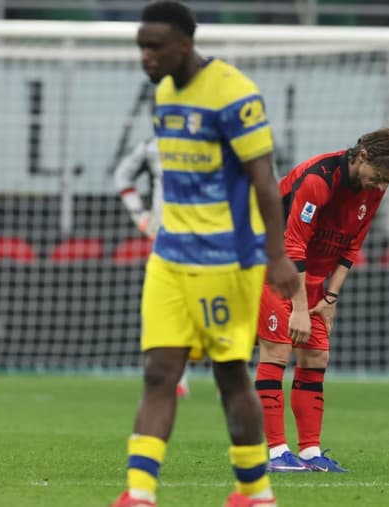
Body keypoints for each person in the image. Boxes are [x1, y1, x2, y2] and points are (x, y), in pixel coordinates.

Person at [110, 2, 300, 507]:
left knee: (229, 372)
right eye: (141, 48)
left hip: (225, 262)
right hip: (169, 256)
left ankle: (256, 493)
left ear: (184, 46)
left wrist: (276, 255)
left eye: (155, 48)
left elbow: (264, 180)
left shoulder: (234, 95)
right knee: (159, 373)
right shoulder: (165, 92)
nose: (146, 58)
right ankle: (140, 493)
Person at [256, 128, 389, 473]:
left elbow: (352, 245)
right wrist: (300, 309)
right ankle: (274, 453)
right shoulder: (319, 179)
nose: (380, 187)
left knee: (316, 354)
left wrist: (330, 296)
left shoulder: (378, 184)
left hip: (311, 276)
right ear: (363, 156)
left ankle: (311, 454)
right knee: (277, 351)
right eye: (378, 177)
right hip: (274, 266)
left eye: (387, 181)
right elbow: (293, 245)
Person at [113, 135, 191, 399]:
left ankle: (226, 375)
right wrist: (141, 215)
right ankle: (173, 375)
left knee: (215, 306)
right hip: (166, 237)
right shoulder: (151, 146)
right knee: (164, 306)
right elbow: (122, 177)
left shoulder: (218, 138)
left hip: (212, 236)